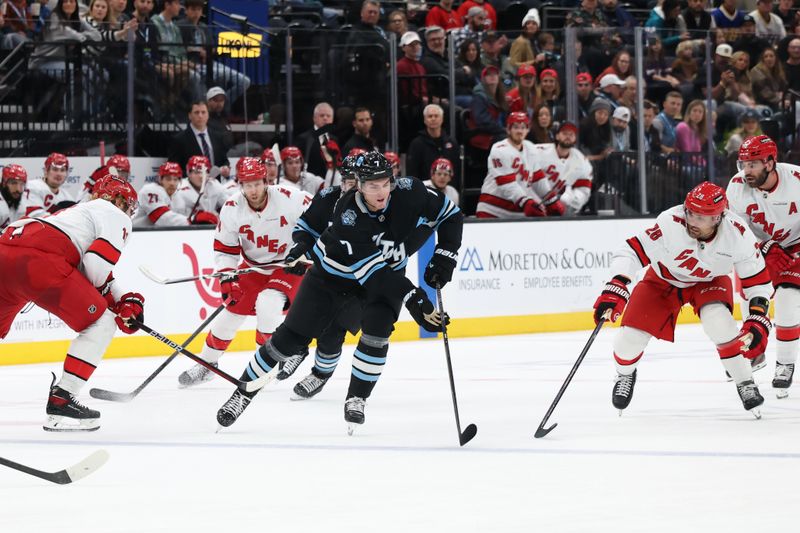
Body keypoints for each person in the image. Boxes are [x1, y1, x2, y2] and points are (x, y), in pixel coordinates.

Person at [214, 152, 462, 432]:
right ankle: (242, 393)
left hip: (385, 277)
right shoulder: (347, 215)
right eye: (371, 185)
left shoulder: (411, 191)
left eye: (384, 183)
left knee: (378, 333)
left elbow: (451, 215)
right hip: (331, 279)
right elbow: (375, 273)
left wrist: (444, 256)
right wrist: (415, 299)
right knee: (287, 340)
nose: (380, 192)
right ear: (358, 185)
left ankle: (357, 397)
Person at [594, 181, 772, 417]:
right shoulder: (670, 222)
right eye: (690, 212)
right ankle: (625, 373)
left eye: (701, 216)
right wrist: (617, 284)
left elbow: (757, 282)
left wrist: (758, 317)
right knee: (628, 341)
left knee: (720, 323)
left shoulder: (738, 234)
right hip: (663, 280)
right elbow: (632, 250)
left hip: (709, 281)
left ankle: (745, 381)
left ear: (718, 218)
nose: (691, 220)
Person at [0, 174, 144, 430]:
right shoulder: (114, 214)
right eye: (129, 205)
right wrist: (116, 306)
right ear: (118, 199)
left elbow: (89, 269)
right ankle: (62, 402)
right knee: (102, 323)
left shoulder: (75, 213)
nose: (129, 212)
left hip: (7, 248)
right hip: (38, 261)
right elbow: (94, 266)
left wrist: (121, 298)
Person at [176, 157, 313, 388]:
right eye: (247, 185)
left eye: (257, 183)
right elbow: (225, 248)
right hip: (253, 266)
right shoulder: (232, 207)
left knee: (268, 304)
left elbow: (320, 223)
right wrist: (228, 276)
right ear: (240, 184)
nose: (253, 190)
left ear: (265, 180)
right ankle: (207, 365)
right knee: (228, 316)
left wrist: (306, 255)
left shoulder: (291, 198)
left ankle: (267, 361)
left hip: (289, 265)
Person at [727, 135, 800, 398]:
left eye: (753, 165)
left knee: (788, 298)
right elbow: (735, 229)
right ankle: (754, 352)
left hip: (796, 246)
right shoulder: (736, 186)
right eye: (743, 164)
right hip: (760, 247)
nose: (746, 171)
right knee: (751, 297)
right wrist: (765, 245)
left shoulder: (796, 180)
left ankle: (786, 363)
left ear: (771, 162)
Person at [476, 112, 557, 219]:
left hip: (516, 211)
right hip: (492, 210)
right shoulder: (499, 149)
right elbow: (507, 184)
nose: (520, 131)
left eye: (523, 127)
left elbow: (538, 179)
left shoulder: (530, 148)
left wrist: (551, 199)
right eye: (516, 127)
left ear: (527, 130)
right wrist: (526, 202)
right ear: (508, 129)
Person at [133, 161, 218, 227]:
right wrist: (192, 220)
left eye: (175, 179)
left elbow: (181, 220)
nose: (172, 183)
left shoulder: (178, 197)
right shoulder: (150, 190)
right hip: (135, 235)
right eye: (168, 179)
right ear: (160, 179)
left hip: (155, 237)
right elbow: (161, 218)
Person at [534, 122, 593, 216]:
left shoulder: (581, 161)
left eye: (571, 134)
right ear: (557, 136)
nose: (568, 137)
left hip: (562, 211)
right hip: (535, 205)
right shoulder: (538, 151)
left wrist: (571, 199)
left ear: (575, 139)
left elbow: (584, 190)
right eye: (565, 133)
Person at [168, 100, 231, 178]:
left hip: (214, 185)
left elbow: (224, 160)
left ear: (208, 115)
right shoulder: (179, 139)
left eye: (203, 112)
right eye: (196, 112)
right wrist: (194, 176)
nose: (200, 116)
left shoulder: (217, 137)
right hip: (191, 187)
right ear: (190, 115)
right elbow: (174, 168)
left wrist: (225, 167)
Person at [405, 103, 459, 184]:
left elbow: (456, 170)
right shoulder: (417, 144)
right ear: (424, 120)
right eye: (430, 116)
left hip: (448, 190)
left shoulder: (451, 142)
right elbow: (412, 172)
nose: (433, 119)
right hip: (424, 190)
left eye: (436, 116)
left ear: (442, 119)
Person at [173, 155, 228, 220]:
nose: (202, 176)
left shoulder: (214, 184)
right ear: (188, 173)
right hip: (187, 227)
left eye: (205, 172)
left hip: (210, 226)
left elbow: (229, 205)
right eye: (197, 172)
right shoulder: (179, 189)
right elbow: (175, 218)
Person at [21, 152, 75, 217]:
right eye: (55, 169)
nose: (59, 174)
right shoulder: (33, 186)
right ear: (46, 171)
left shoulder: (67, 197)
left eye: (62, 170)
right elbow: (34, 215)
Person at [295, 102, 337, 179]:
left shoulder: (334, 139)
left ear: (332, 119)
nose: (325, 118)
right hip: (310, 183)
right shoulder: (304, 139)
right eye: (322, 115)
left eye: (328, 116)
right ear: (314, 118)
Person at [0, 164, 27, 229]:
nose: (18, 189)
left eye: (21, 184)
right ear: (4, 183)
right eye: (13, 183)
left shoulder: (21, 204)